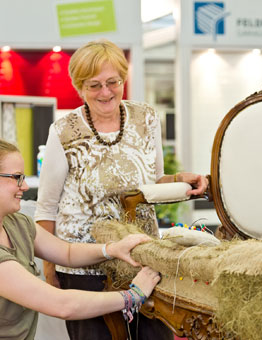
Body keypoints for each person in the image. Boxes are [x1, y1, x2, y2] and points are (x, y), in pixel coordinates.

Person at [35, 39, 209, 340]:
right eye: (94, 85)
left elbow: (153, 180)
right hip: (84, 269)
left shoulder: (146, 118)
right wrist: (50, 269)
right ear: (80, 87)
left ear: (123, 79)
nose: (106, 92)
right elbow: (46, 207)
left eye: (113, 82)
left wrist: (182, 178)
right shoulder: (63, 131)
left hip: (143, 259)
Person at [0, 137, 161, 340]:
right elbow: (62, 305)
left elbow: (66, 252)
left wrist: (112, 249)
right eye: (16, 178)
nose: (24, 187)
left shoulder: (16, 223)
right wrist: (133, 296)